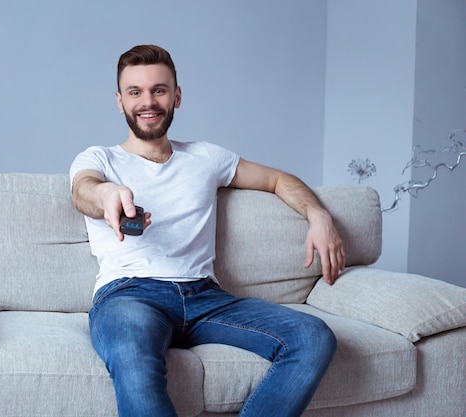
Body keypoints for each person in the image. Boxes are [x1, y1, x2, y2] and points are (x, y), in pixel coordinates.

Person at [69, 44, 345, 417]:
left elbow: (279, 179)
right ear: (120, 101)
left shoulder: (206, 157)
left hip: (205, 298)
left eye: (159, 90)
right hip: (131, 294)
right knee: (132, 356)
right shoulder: (99, 159)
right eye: (135, 92)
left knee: (313, 336)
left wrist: (318, 214)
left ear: (177, 96)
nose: (147, 101)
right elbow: (83, 190)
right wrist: (107, 196)